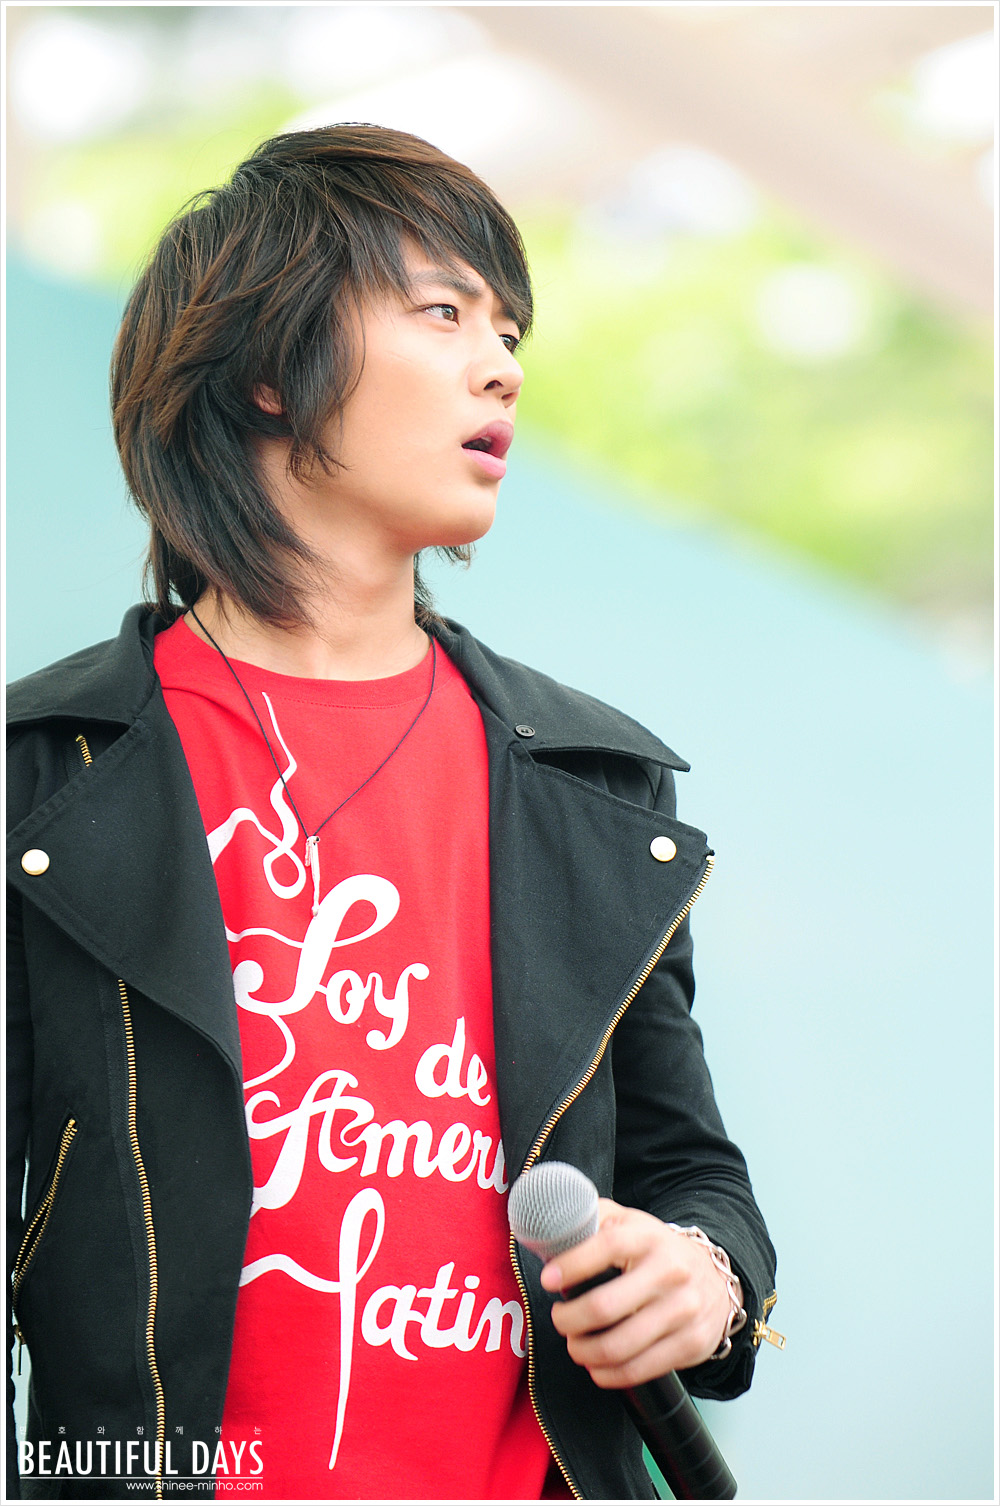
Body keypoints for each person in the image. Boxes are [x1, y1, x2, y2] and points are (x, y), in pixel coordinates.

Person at [7, 124, 778, 1502]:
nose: (503, 365)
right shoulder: (44, 775)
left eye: (508, 330)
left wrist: (704, 1277)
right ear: (266, 369)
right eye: (441, 312)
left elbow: (691, 1173)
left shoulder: (591, 781)